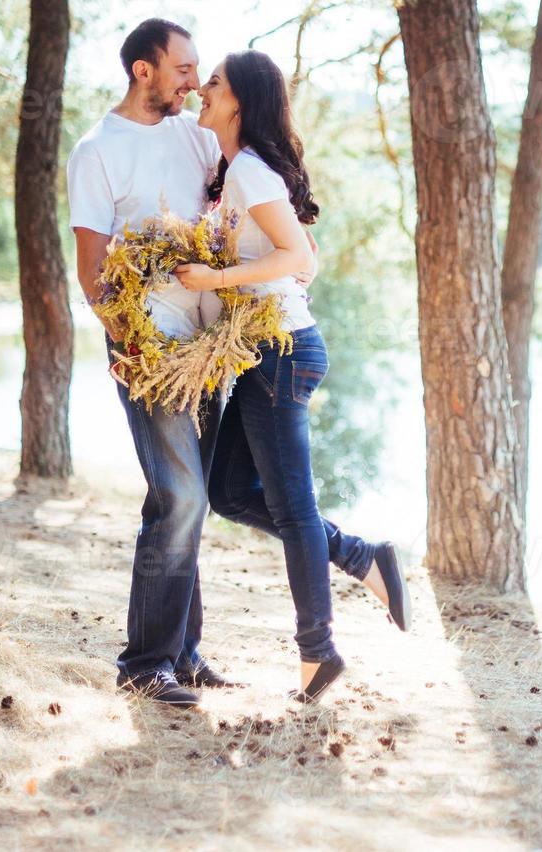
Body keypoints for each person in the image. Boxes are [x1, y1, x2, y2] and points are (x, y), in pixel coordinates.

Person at [173, 49, 411, 704]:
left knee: (292, 505)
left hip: (283, 351)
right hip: (261, 353)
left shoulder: (248, 169)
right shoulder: (235, 172)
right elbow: (304, 256)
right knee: (227, 494)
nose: (201, 90)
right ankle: (364, 559)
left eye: (212, 84)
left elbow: (297, 253)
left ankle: (318, 652)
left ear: (239, 102)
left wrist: (217, 279)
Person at [67, 18, 237, 708]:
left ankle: (182, 654)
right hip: (149, 350)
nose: (193, 80)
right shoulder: (97, 151)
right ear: (144, 71)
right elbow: (91, 271)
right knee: (182, 495)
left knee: (187, 498)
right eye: (183, 69)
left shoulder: (194, 138)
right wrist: (128, 345)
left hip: (209, 346)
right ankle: (144, 662)